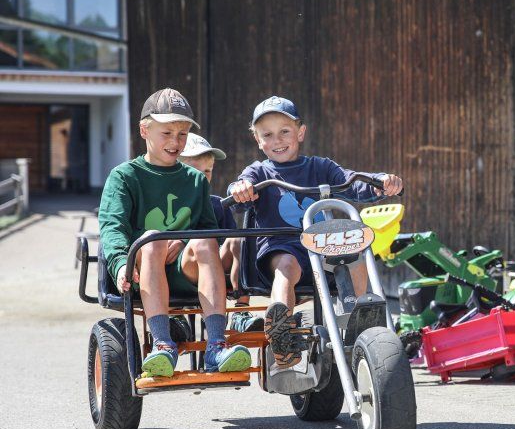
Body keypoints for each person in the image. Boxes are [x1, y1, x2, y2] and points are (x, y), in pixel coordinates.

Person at [227, 95, 402, 368]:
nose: (277, 140)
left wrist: (379, 182)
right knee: (288, 265)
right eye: (268, 135)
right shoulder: (259, 172)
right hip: (282, 248)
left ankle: (356, 323)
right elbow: (239, 187)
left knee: (354, 252)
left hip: (322, 247)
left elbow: (351, 182)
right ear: (258, 141)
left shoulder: (320, 167)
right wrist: (239, 189)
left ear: (300, 132)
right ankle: (281, 332)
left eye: (285, 131)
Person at [98, 88, 250, 378]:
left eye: (182, 134)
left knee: (205, 242)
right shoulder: (124, 177)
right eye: (166, 133)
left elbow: (208, 228)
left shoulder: (194, 179)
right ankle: (163, 344)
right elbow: (112, 225)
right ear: (145, 130)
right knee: (152, 240)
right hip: (143, 268)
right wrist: (119, 263)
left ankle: (216, 345)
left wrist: (182, 240)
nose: (175, 142)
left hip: (185, 270)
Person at [177, 132, 243, 297]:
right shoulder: (170, 204)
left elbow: (229, 241)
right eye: (194, 171)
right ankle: (174, 315)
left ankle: (242, 309)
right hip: (182, 268)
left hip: (215, 266)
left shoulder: (219, 205)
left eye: (207, 171)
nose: (202, 177)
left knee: (238, 240)